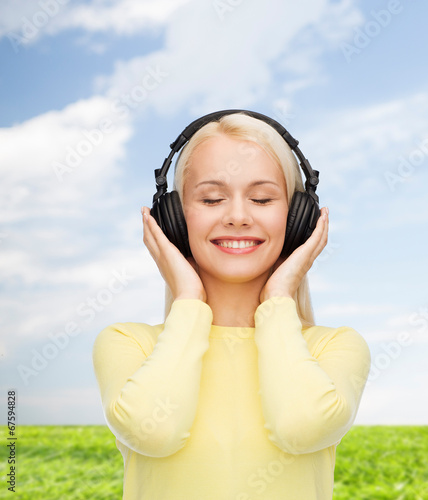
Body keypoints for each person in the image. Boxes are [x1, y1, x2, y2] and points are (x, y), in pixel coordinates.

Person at [92, 112, 371, 500]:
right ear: (173, 219)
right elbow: (154, 432)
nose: (238, 217)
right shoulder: (128, 343)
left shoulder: (334, 348)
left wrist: (278, 300)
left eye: (261, 198)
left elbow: (300, 426)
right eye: (211, 198)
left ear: (297, 220)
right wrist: (189, 300)